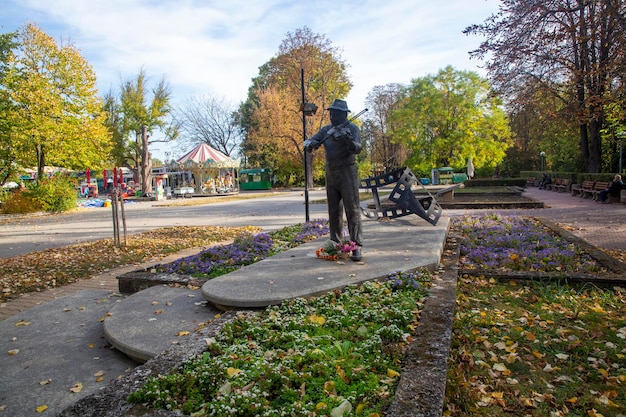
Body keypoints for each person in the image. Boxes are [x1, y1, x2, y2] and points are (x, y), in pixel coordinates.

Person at [304, 99, 363, 261]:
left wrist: (348, 140)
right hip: (331, 172)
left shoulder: (352, 128)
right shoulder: (326, 130)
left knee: (353, 210)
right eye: (331, 113)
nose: (332, 116)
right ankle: (335, 242)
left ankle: (356, 245)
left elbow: (357, 148)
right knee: (334, 210)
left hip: (347, 171)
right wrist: (309, 144)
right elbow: (313, 140)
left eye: (335, 113)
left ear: (344, 114)